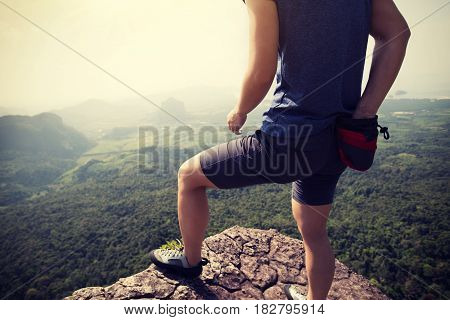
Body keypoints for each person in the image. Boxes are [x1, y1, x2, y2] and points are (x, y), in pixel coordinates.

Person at [149, 0, 410, 300]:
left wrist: (240, 109)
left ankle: (190, 261)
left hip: (289, 137)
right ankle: (314, 305)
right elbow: (398, 34)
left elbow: (262, 70)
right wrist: (364, 112)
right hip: (340, 138)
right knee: (314, 232)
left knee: (189, 176)